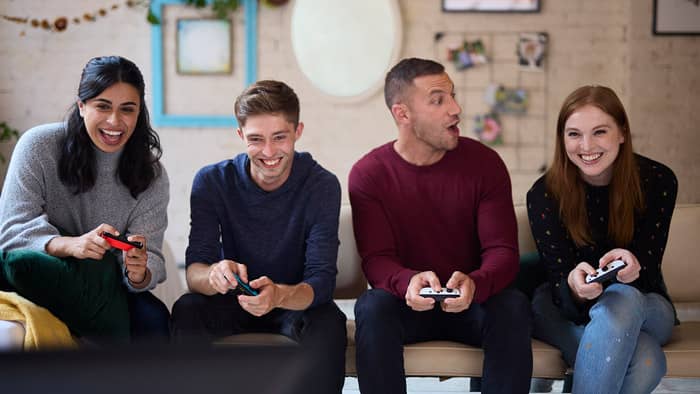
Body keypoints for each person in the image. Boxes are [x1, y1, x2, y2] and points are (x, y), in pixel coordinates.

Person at [349, 57, 532, 394]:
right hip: (408, 305)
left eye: (453, 96)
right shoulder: (369, 174)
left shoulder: (485, 164)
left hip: (473, 302)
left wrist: (475, 285)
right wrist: (407, 283)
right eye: (438, 99)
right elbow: (377, 260)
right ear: (402, 114)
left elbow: (502, 251)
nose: (456, 109)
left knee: (512, 305)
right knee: (373, 307)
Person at [170, 80, 346, 394]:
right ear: (240, 136)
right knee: (187, 308)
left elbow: (321, 282)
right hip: (231, 301)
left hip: (293, 302)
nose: (268, 152)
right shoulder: (212, 182)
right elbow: (195, 270)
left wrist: (278, 295)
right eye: (255, 139)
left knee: (328, 321)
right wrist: (213, 274)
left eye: (279, 137)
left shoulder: (322, 185)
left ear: (298, 132)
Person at [0, 55, 171, 341]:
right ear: (81, 106)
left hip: (106, 285)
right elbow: (12, 231)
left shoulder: (151, 175)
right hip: (43, 268)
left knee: (154, 319)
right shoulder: (38, 146)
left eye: (127, 109)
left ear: (139, 113)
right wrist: (71, 245)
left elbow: (151, 257)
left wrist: (139, 271)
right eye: (102, 106)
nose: (114, 121)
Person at [527, 85, 677, 394]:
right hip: (562, 307)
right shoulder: (544, 194)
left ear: (622, 132)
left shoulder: (658, 180)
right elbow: (558, 277)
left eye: (599, 132)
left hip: (646, 304)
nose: (586, 145)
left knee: (623, 298)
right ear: (562, 139)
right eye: (574, 134)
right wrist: (576, 285)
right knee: (647, 359)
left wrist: (634, 265)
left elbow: (648, 263)